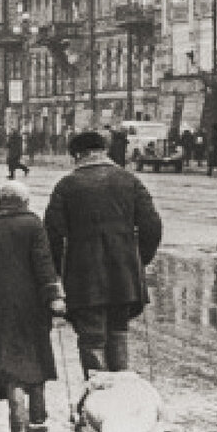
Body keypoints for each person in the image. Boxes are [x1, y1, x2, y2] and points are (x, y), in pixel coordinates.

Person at [44, 131, 162, 375]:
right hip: (124, 275)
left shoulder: (67, 185)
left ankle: (97, 394)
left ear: (78, 155)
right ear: (103, 151)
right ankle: (119, 393)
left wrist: (58, 273)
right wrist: (139, 260)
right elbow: (152, 225)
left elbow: (52, 234)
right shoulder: (129, 180)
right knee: (118, 332)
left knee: (91, 337)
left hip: (84, 277)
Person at [0, 181, 65, 432]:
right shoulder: (33, 225)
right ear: (25, 202)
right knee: (35, 356)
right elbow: (44, 265)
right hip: (32, 304)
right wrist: (53, 296)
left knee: (10, 363)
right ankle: (38, 417)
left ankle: (19, 422)